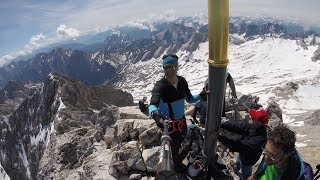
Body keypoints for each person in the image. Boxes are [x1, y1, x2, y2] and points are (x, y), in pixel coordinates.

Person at [148, 54, 202, 172]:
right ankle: (176, 166)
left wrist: (201, 96)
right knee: (173, 146)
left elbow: (189, 99)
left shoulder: (182, 81)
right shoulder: (160, 86)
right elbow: (152, 105)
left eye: (171, 67)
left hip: (181, 121)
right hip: (168, 124)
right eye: (166, 67)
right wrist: (157, 117)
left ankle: (177, 160)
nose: (168, 70)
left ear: (177, 67)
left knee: (181, 141)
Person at [215, 109, 268, 180]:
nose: (250, 118)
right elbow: (239, 126)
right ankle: (236, 168)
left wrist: (219, 137)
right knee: (238, 162)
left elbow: (238, 146)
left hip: (248, 160)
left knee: (245, 173)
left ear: (259, 122)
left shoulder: (259, 139)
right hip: (243, 153)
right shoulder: (254, 127)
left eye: (253, 118)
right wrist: (223, 124)